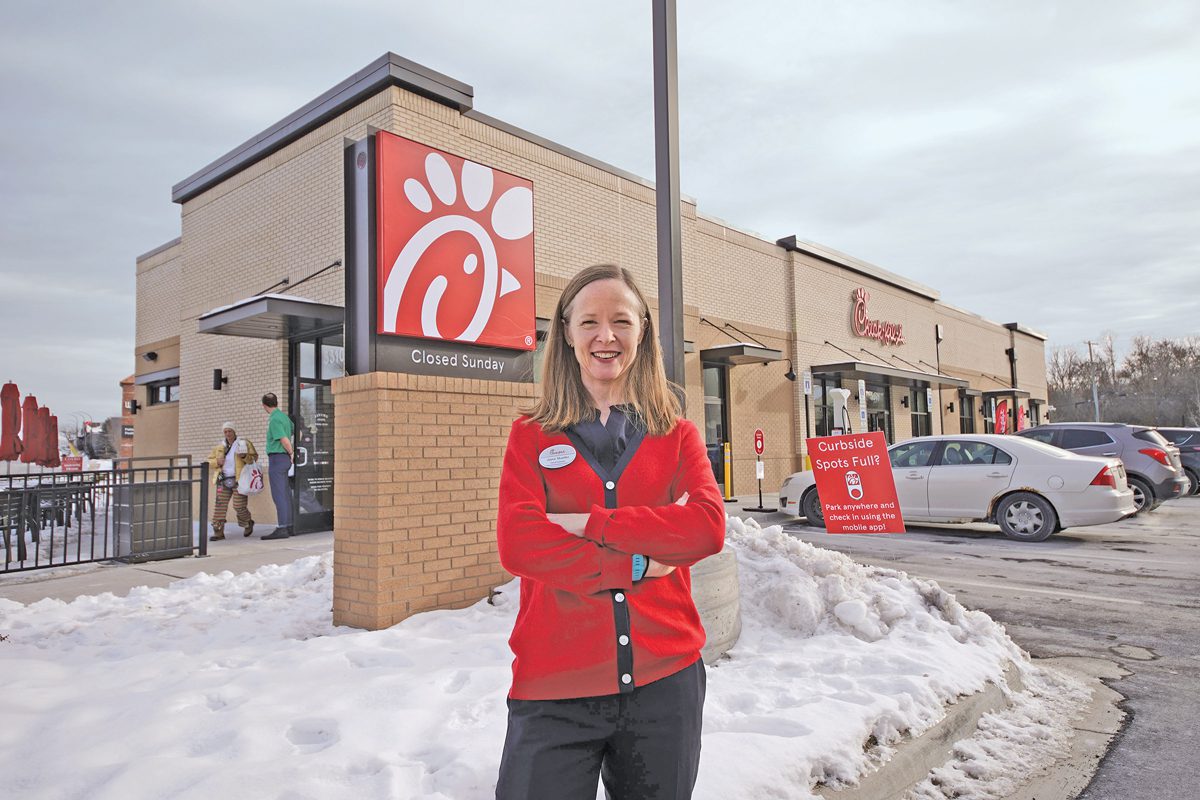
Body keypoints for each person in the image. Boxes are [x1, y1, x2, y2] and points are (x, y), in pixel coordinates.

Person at [495, 264, 725, 800]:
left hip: (666, 686)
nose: (606, 337)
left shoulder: (677, 434)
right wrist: (637, 562)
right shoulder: (530, 436)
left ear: (642, 331)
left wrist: (591, 523)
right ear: (568, 333)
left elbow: (706, 529)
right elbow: (521, 542)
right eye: (590, 322)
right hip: (554, 690)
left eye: (621, 321)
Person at [206, 422, 258, 541]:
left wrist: (245, 456)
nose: (227, 434)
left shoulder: (243, 443)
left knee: (239, 506)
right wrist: (216, 462)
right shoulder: (220, 447)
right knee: (220, 506)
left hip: (239, 479)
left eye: (230, 431)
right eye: (225, 431)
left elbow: (254, 458)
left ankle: (247, 523)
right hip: (223, 479)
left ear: (234, 431)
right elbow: (209, 460)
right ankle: (218, 532)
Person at [261, 392, 295, 540]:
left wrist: (291, 452)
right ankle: (289, 525)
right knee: (285, 494)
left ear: (264, 405)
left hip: (277, 458)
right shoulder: (284, 417)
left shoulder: (274, 419)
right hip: (284, 459)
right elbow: (296, 432)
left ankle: (282, 528)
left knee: (278, 495)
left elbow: (283, 439)